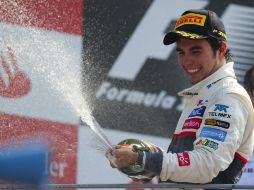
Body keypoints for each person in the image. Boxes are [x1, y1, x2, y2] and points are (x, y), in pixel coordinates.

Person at [107, 9, 254, 186]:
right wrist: (145, 160)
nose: (187, 61)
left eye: (196, 51)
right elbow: (190, 164)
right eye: (181, 52)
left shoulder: (228, 97)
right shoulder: (206, 94)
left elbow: (205, 165)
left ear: (221, 49)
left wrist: (145, 160)